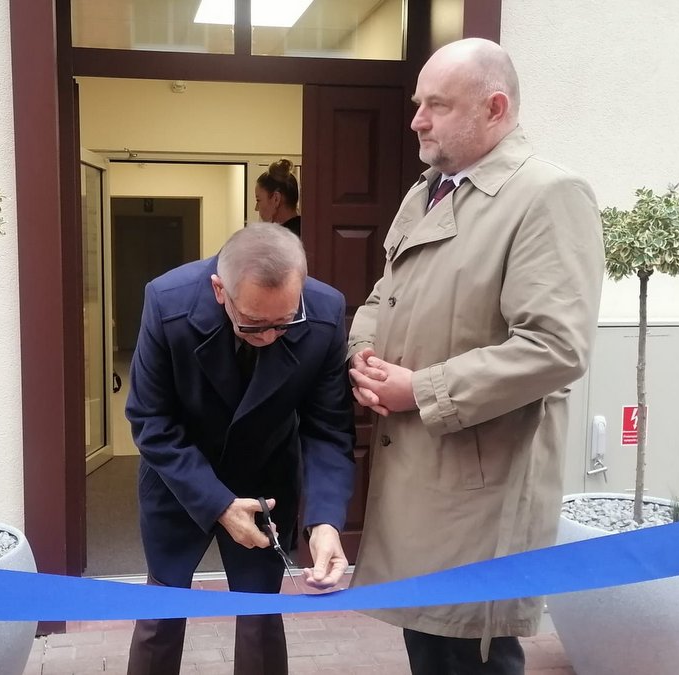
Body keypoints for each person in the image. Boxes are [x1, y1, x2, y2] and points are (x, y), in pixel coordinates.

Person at [346, 38, 604, 674]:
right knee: (429, 645)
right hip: (418, 471)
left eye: (437, 105)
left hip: (479, 489)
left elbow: (555, 346)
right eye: (418, 103)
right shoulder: (428, 191)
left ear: (495, 108)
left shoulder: (548, 194)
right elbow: (385, 293)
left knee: (469, 651)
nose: (417, 120)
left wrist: (421, 389)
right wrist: (364, 352)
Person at [125, 222, 356, 675]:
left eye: (284, 323)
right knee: (161, 610)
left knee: (259, 616)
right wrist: (218, 503)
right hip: (179, 478)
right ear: (219, 290)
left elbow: (328, 430)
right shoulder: (167, 301)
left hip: (264, 479)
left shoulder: (325, 312)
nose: (269, 336)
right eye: (253, 323)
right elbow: (150, 420)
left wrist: (325, 521)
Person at [255, 159, 301, 236]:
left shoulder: (282, 239)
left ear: (276, 199)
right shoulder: (308, 230)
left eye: (258, 200)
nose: (256, 208)